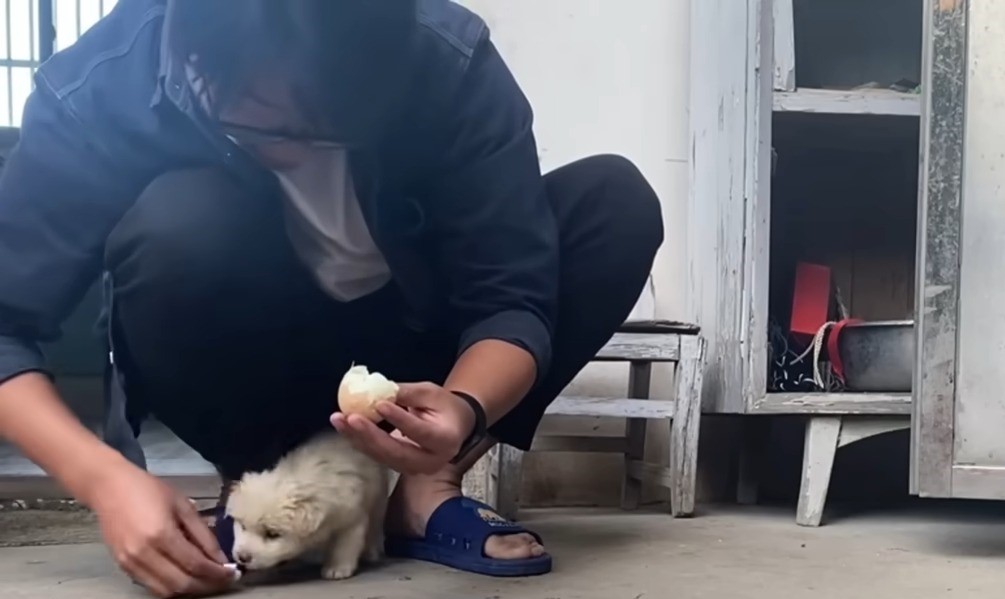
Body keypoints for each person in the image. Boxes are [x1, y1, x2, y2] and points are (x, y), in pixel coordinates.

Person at [0, 0, 663, 596]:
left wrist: (463, 408)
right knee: (181, 222)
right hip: (254, 345)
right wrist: (102, 478)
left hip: (418, 348)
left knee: (614, 203)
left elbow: (510, 294)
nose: (303, 147)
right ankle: (258, 481)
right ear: (193, 58)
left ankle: (427, 487)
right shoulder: (103, 84)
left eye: (331, 128)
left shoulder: (443, 59)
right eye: (268, 124)